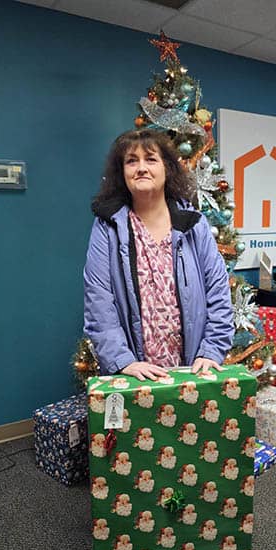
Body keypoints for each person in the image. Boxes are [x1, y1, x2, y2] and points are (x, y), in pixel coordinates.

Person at [83, 129, 234, 381]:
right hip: (136, 373)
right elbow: (98, 300)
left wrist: (211, 351)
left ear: (168, 168)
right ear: (122, 172)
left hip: (193, 369)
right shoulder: (107, 227)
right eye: (132, 161)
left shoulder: (194, 224)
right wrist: (123, 362)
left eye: (150, 159)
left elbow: (218, 291)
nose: (141, 167)